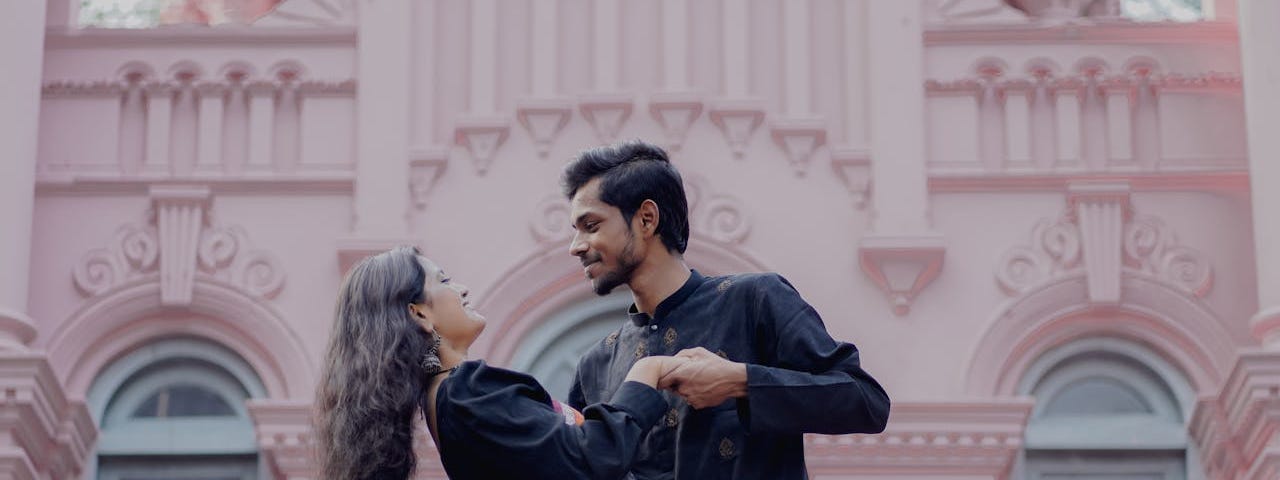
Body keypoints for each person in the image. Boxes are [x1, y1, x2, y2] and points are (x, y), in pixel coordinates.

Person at [563, 140, 892, 479]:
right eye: (575, 231)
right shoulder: (595, 365)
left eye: (592, 226)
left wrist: (740, 381)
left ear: (646, 219)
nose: (576, 247)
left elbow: (866, 402)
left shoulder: (754, 301)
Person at [315, 246, 688, 480]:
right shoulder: (466, 393)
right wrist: (645, 372)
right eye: (444, 280)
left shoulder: (452, 400)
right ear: (420, 315)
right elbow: (590, 458)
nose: (460, 288)